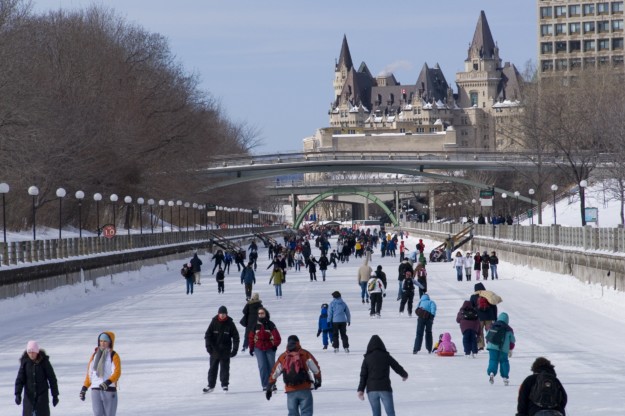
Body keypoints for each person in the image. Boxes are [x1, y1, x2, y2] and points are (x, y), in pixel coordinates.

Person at [266, 335, 322, 416]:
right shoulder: (305, 353)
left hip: (290, 390)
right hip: (304, 388)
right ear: (298, 343)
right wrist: (318, 380)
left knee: (293, 413)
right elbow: (315, 368)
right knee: (306, 412)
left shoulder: (283, 356)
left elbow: (275, 373)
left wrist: (269, 387)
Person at [357, 335, 408, 416]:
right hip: (385, 388)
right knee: (390, 413)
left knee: (376, 414)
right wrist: (404, 375)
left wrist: (361, 390)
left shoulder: (367, 358)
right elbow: (396, 366)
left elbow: (363, 375)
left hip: (371, 390)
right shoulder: (386, 356)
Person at [80, 332, 121, 416]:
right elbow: (90, 373)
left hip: (109, 390)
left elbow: (117, 372)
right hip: (95, 389)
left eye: (105, 341)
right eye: (101, 341)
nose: (102, 343)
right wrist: (84, 388)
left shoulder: (113, 355)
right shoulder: (95, 355)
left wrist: (107, 382)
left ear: (110, 342)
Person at [15, 340, 59, 416]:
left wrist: (55, 395)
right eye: (29, 352)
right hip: (29, 399)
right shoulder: (25, 363)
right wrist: (17, 394)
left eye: (33, 352)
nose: (31, 354)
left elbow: (52, 379)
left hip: (42, 398)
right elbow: (20, 380)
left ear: (37, 352)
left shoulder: (44, 362)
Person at [204, 306, 240, 393]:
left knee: (225, 368)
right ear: (218, 314)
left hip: (225, 350)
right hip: (214, 350)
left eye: (224, 314)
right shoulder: (214, 322)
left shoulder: (230, 323)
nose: (222, 316)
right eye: (221, 314)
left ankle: (224, 385)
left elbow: (236, 337)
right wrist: (208, 347)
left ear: (226, 314)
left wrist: (234, 350)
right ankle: (210, 385)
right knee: (212, 368)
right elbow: (207, 335)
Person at [249, 307, 281, 391]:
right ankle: (265, 385)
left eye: (262, 313)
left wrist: (275, 345)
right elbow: (251, 337)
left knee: (271, 366)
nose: (260, 315)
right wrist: (251, 348)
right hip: (258, 348)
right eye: (259, 313)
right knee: (262, 366)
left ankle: (272, 384)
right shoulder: (255, 325)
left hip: (270, 347)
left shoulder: (270, 324)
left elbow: (277, 336)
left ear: (265, 314)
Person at [486, 312, 515, 385]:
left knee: (493, 360)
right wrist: (510, 349)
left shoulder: (492, 325)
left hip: (492, 347)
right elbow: (512, 341)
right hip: (503, 348)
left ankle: (492, 373)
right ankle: (505, 377)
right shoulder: (508, 329)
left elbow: (487, 335)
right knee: (504, 361)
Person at [470, 283, 500, 351]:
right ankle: (490, 344)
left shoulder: (473, 296)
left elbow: (471, 307)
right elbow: (494, 307)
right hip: (489, 317)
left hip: (479, 318)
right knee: (490, 331)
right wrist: (495, 317)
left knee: (479, 332)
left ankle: (480, 346)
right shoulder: (488, 295)